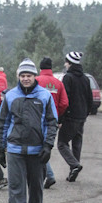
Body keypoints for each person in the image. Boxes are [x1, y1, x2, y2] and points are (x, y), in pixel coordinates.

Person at [0, 58, 58, 203]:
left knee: (36, 186)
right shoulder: (10, 96)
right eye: (22, 75)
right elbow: (3, 122)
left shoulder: (45, 96)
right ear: (18, 76)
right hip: (15, 150)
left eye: (29, 75)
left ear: (34, 76)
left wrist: (48, 145)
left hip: (37, 150)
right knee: (16, 187)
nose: (25, 78)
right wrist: (0, 147)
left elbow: (51, 122)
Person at [57, 51, 93, 182]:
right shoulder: (85, 79)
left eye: (66, 62)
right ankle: (74, 170)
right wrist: (86, 113)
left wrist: (60, 118)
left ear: (69, 63)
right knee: (77, 143)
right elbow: (90, 99)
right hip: (81, 117)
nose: (65, 65)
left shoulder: (68, 78)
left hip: (70, 116)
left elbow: (65, 100)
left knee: (62, 143)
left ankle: (74, 165)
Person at [36, 57, 69, 188]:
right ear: (51, 68)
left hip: (37, 119)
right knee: (45, 146)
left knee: (38, 147)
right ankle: (48, 175)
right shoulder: (58, 83)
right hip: (52, 121)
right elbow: (64, 103)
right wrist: (57, 115)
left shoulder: (36, 81)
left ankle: (49, 175)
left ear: (40, 68)